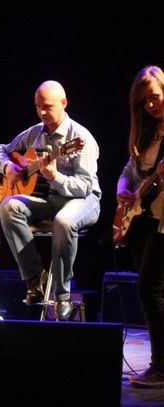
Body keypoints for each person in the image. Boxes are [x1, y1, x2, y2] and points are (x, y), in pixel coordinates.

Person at [0, 80, 101, 321]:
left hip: (84, 200)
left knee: (63, 222)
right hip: (50, 199)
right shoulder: (35, 133)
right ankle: (34, 278)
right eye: (38, 106)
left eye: (48, 106)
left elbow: (84, 187)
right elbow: (1, 150)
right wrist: (9, 165)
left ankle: (62, 295)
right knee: (8, 206)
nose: (42, 112)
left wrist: (55, 177)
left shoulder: (80, 138)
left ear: (64, 104)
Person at [116, 66, 164, 388]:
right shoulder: (147, 132)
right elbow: (129, 170)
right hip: (142, 220)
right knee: (153, 292)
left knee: (149, 288)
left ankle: (160, 367)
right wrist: (122, 187)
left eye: (155, 97)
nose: (150, 105)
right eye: (144, 102)